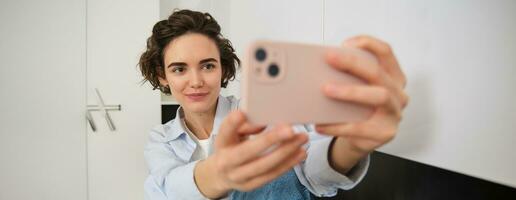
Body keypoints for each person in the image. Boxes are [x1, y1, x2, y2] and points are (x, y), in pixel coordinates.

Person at [139, 9, 408, 200]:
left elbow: (314, 171)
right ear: (163, 76)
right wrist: (223, 172)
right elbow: (173, 189)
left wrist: (352, 144)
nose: (195, 81)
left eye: (207, 65)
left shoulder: (262, 113)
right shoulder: (160, 140)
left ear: (223, 69)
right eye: (179, 69)